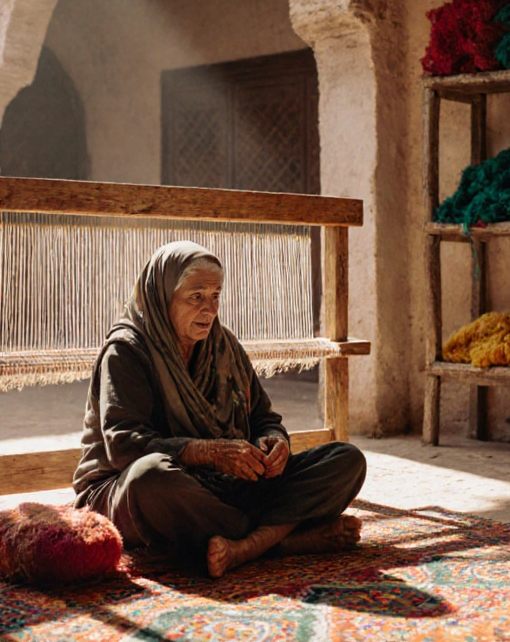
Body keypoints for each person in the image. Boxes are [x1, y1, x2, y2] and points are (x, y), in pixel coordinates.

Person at [72, 240, 366, 578]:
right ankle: (280, 539)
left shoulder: (223, 344)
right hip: (134, 492)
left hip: (224, 489)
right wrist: (209, 453)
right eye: (196, 297)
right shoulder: (127, 352)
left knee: (346, 460)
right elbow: (124, 446)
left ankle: (246, 543)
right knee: (150, 476)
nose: (209, 310)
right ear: (163, 296)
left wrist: (275, 442)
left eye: (216, 296)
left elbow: (264, 418)